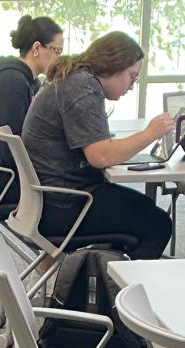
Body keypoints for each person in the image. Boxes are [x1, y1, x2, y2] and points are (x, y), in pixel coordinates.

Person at [20, 31, 173, 260]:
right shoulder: (82, 86)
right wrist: (150, 134)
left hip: (47, 200)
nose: (131, 86)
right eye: (132, 77)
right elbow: (100, 157)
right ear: (114, 66)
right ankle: (117, 291)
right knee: (158, 224)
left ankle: (103, 276)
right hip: (64, 206)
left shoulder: (74, 79)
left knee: (141, 208)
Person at [0, 15, 62, 211]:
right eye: (57, 51)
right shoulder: (13, 83)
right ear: (37, 48)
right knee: (68, 189)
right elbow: (13, 151)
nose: (59, 59)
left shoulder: (23, 80)